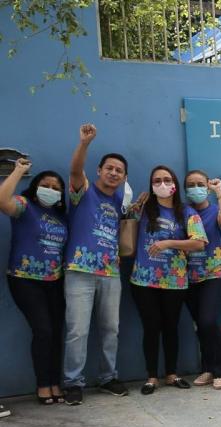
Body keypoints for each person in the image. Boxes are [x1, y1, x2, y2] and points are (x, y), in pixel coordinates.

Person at [63, 124, 130, 405]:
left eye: (119, 171)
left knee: (110, 328)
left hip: (110, 274)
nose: (114, 173)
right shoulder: (84, 191)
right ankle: (73, 382)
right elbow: (76, 170)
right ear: (100, 170)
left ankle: (107, 377)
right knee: (78, 329)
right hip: (79, 272)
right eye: (109, 168)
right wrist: (84, 144)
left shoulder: (118, 201)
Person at [129, 166, 208, 395]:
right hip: (144, 280)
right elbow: (124, 223)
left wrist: (169, 243)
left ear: (174, 184)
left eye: (166, 179)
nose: (162, 184)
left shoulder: (187, 213)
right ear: (151, 185)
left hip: (175, 281)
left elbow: (199, 242)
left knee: (171, 327)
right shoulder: (144, 210)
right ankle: (151, 377)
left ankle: (171, 374)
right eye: (157, 180)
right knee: (151, 328)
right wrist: (136, 204)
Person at [0, 158, 68, 404]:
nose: (51, 190)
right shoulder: (24, 206)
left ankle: (55, 383)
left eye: (56, 187)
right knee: (43, 331)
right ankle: (42, 385)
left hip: (55, 281)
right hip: (25, 279)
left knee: (56, 332)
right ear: (36, 187)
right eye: (46, 185)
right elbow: (2, 201)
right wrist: (19, 171)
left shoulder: (62, 217)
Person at [184, 170, 221, 390]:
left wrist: (220, 193)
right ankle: (207, 368)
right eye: (191, 184)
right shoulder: (183, 212)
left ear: (206, 187)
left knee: (207, 321)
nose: (195, 188)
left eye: (200, 184)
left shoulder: (215, 210)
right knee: (200, 325)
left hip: (214, 274)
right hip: (187, 277)